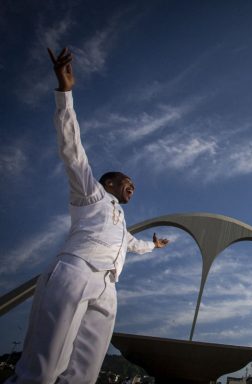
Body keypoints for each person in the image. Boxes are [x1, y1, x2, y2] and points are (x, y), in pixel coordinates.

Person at [8, 48, 170, 384]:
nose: (133, 188)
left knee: (83, 374)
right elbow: (72, 150)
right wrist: (65, 94)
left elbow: (134, 245)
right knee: (43, 367)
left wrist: (153, 247)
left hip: (108, 287)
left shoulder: (122, 227)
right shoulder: (89, 194)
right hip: (75, 273)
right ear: (109, 182)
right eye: (129, 182)